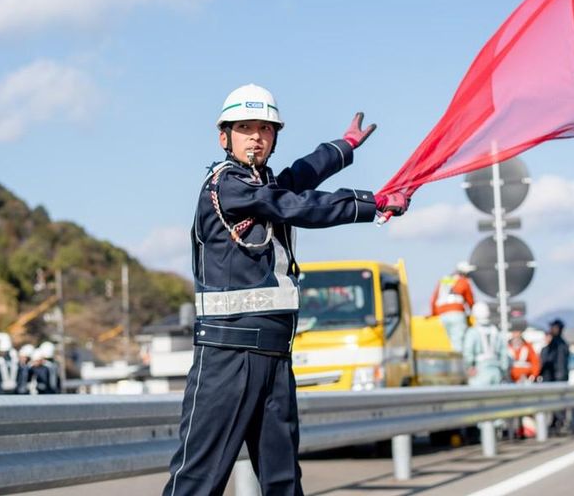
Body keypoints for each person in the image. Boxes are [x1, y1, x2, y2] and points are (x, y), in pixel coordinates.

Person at [163, 84, 409, 496]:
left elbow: (298, 178)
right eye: (245, 127)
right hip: (228, 355)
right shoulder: (227, 186)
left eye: (265, 128)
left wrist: (343, 147)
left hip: (275, 355)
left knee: (283, 481)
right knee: (197, 482)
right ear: (224, 136)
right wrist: (371, 203)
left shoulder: (264, 185)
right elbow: (295, 204)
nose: (256, 136)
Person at [430, 262, 475, 351]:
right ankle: (459, 364)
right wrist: (474, 312)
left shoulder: (444, 280)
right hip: (456, 314)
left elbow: (434, 299)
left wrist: (434, 314)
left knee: (448, 342)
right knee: (458, 344)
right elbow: (470, 301)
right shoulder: (463, 281)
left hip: (442, 315)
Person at [462, 302, 509, 386]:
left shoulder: (472, 332)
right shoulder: (496, 331)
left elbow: (468, 352)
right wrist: (503, 370)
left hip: (479, 371)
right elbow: (504, 353)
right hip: (496, 371)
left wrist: (468, 367)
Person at [539, 318, 570, 432]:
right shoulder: (561, 342)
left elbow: (550, 361)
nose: (551, 329)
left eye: (553, 327)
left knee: (557, 402)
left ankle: (560, 423)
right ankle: (557, 422)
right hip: (560, 377)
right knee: (558, 401)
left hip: (556, 377)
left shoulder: (557, 343)